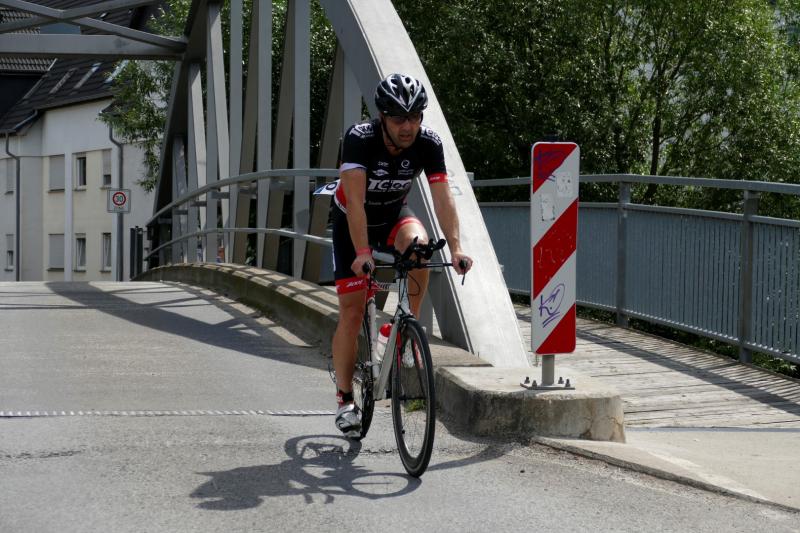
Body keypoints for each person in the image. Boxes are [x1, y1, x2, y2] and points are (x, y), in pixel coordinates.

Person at [330, 73, 473, 435]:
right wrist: (363, 252)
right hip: (354, 222)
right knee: (352, 312)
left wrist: (456, 247)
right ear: (382, 117)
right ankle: (345, 399)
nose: (408, 127)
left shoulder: (428, 143)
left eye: (415, 117)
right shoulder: (359, 139)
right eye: (398, 119)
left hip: (393, 215)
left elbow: (443, 197)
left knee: (421, 247)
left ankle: (404, 326)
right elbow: (356, 203)